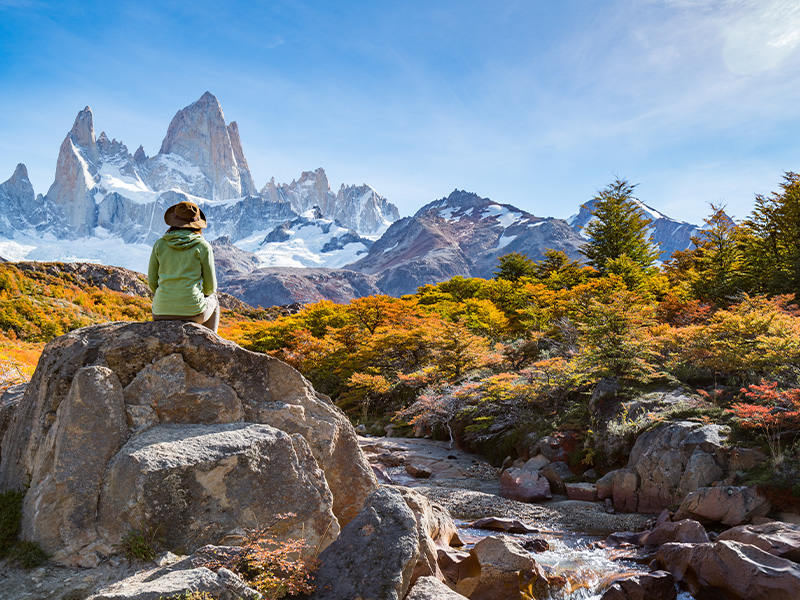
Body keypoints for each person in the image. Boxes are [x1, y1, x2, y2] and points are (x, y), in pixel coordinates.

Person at [148, 200, 219, 333]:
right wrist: (192, 298)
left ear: (173, 222)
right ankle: (211, 343)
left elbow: (152, 283)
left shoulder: (159, 244)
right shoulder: (203, 246)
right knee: (214, 299)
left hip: (160, 312)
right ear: (197, 224)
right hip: (194, 313)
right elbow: (210, 288)